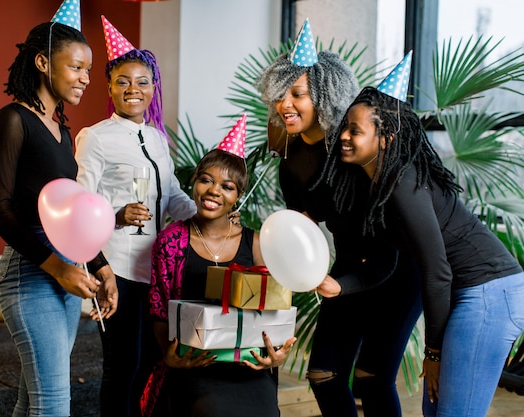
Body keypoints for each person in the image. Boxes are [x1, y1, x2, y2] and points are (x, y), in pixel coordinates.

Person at [256, 19, 422, 417]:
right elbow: (302, 224)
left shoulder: (354, 148)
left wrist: (342, 283)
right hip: (349, 264)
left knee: (372, 378)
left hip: (398, 269)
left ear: (325, 94)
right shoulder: (288, 154)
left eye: (297, 93)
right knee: (324, 375)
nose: (285, 104)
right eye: (280, 94)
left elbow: (387, 245)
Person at [327, 83, 524, 417]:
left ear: (385, 137)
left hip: (490, 292)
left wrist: (433, 353)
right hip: (468, 292)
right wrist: (341, 286)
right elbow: (385, 263)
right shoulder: (377, 185)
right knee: (434, 408)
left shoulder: (402, 182)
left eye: (354, 130)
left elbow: (437, 271)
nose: (343, 135)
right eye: (345, 126)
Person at [0, 4, 118, 416]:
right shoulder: (11, 121)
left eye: (89, 70)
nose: (86, 79)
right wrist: (58, 268)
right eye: (76, 67)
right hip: (29, 274)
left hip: (66, 273)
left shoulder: (62, 131)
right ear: (43, 62)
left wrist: (101, 267)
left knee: (33, 401)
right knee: (54, 403)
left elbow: (72, 213)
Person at [75, 16, 196, 417]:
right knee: (122, 367)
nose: (133, 89)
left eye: (143, 81)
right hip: (118, 269)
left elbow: (173, 196)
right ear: (109, 87)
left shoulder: (158, 138)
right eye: (123, 81)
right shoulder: (95, 137)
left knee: (150, 364)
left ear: (153, 87)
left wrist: (212, 219)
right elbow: (81, 209)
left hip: (158, 269)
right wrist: (117, 215)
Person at [145, 123, 297, 417]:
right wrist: (170, 357)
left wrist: (276, 356)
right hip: (194, 364)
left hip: (248, 365)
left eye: (226, 186)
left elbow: (275, 309)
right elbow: (158, 310)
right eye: (206, 180)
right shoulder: (170, 241)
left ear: (238, 195)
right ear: (194, 182)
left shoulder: (255, 243)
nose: (213, 191)